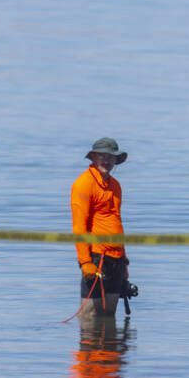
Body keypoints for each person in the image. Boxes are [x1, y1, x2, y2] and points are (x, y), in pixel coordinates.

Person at [71, 137, 131, 319]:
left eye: (111, 157)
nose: (107, 160)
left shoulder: (115, 186)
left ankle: (109, 348)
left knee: (109, 315)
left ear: (116, 160)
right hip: (96, 258)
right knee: (89, 316)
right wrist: (85, 262)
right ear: (94, 157)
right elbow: (79, 226)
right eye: (102, 156)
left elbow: (117, 222)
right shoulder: (84, 183)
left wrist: (125, 260)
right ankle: (88, 347)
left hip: (116, 260)